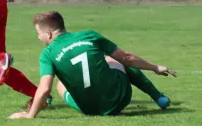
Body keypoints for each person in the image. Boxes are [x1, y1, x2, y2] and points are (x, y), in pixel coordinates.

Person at [9, 11, 177, 118]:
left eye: (39, 34)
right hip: (119, 100)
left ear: (49, 33)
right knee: (117, 58)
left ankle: (90, 100)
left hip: (88, 109)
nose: (38, 38)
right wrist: (155, 67)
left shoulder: (47, 54)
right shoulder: (89, 35)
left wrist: (30, 115)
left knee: (61, 85)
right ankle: (158, 97)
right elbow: (127, 57)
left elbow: (45, 89)